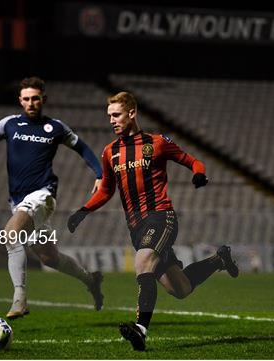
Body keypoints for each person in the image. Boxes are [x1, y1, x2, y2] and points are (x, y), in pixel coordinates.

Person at [67, 92, 238, 351]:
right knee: (180, 289)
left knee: (142, 260)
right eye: (109, 116)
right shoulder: (110, 152)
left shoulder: (157, 143)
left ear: (132, 113)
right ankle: (219, 260)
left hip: (160, 217)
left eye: (116, 115)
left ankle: (140, 329)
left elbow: (193, 161)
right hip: (135, 226)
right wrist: (82, 211)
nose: (112, 121)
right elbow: (105, 190)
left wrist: (199, 174)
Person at [0, 76, 104, 319]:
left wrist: (100, 174)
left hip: (43, 195)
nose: (30, 103)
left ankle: (20, 299)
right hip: (18, 202)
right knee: (50, 257)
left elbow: (82, 148)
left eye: (35, 99)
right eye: (26, 99)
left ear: (43, 100)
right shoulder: (9, 124)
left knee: (10, 234)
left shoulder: (56, 127)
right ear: (20, 101)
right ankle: (90, 279)